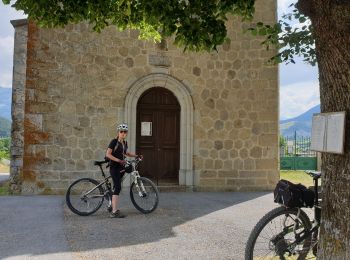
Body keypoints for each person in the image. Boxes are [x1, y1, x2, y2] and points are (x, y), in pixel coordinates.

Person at [105, 123, 140, 218]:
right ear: (118, 132)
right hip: (114, 167)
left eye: (125, 132)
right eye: (121, 131)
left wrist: (136, 156)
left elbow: (126, 153)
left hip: (121, 167)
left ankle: (110, 204)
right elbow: (108, 154)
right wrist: (119, 160)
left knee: (116, 186)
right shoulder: (114, 142)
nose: (123, 133)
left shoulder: (124, 143)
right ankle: (114, 212)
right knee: (118, 188)